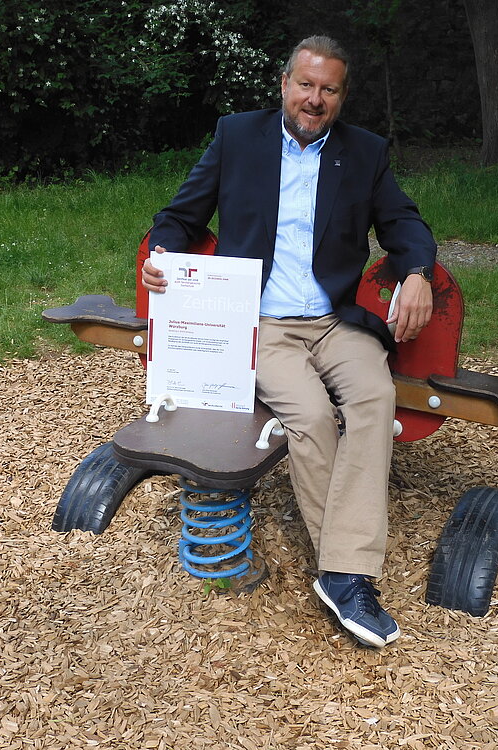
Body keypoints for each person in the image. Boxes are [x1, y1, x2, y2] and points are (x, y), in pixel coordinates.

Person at [142, 35, 436, 647]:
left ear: (341, 96)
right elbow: (181, 214)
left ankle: (336, 569)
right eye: (306, 85)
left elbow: (404, 223)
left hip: (334, 320)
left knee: (374, 400)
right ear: (284, 84)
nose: (315, 99)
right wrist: (163, 253)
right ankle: (349, 573)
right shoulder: (237, 137)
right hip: (262, 323)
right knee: (309, 414)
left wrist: (416, 273)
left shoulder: (365, 153)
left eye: (329, 89)